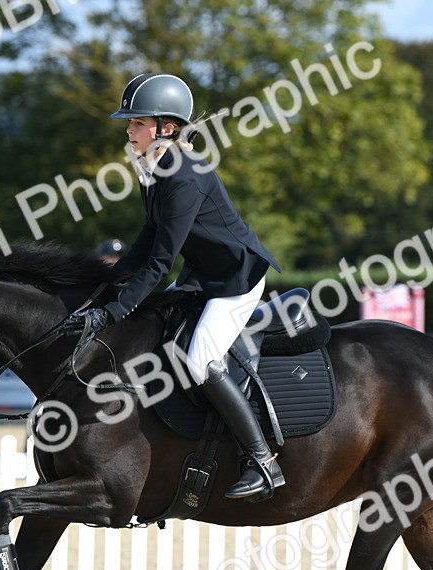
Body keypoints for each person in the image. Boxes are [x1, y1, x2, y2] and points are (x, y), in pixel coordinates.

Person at [63, 73, 284, 501]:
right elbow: (145, 245)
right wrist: (104, 285)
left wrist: (112, 313)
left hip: (235, 282)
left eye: (137, 123)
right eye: (129, 123)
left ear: (166, 127)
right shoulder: (157, 168)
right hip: (203, 277)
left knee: (200, 359)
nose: (128, 130)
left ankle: (262, 461)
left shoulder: (183, 175)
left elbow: (161, 264)